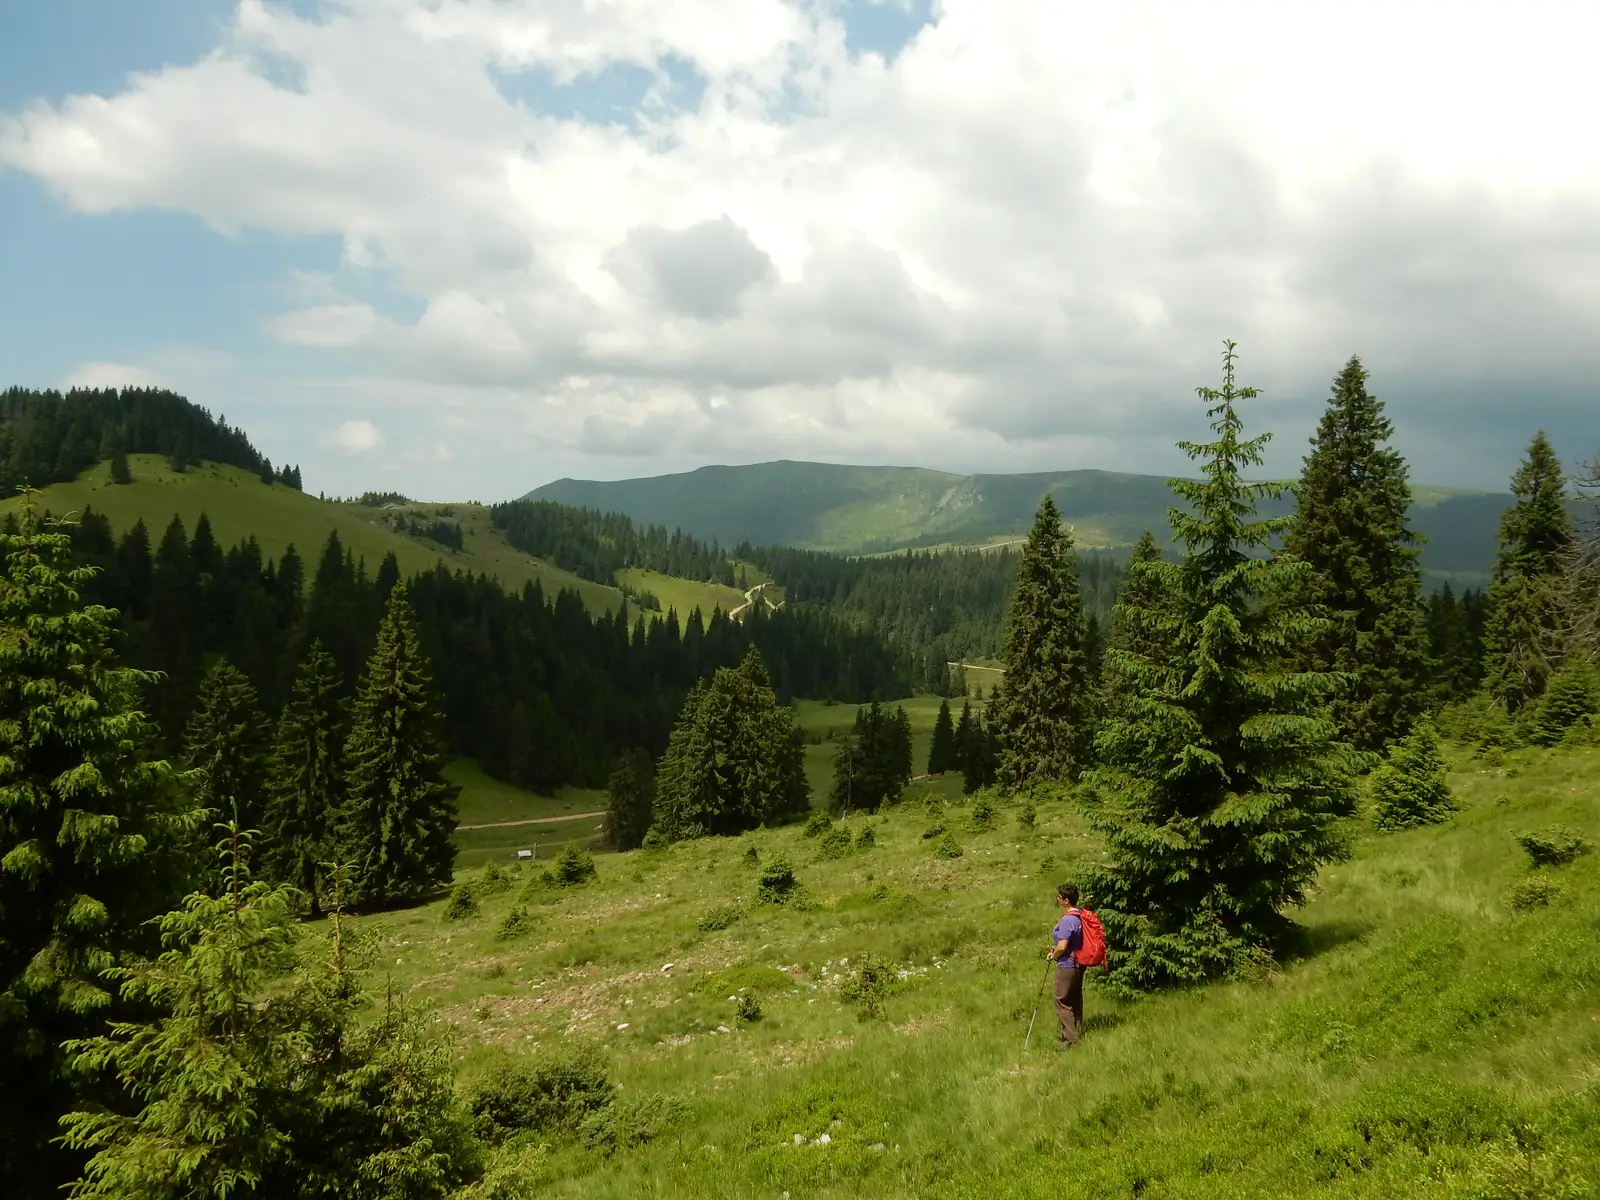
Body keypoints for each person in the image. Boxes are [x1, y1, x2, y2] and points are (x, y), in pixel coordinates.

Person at [1047, 882, 1085, 1048]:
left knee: (1061, 1000)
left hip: (1067, 964)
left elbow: (1062, 946)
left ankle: (1071, 1039)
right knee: (1075, 998)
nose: (1058, 899)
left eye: (1060, 897)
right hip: (1079, 963)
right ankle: (1074, 1030)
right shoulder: (1080, 916)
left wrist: (1053, 955)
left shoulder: (1068, 920)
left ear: (1066, 900)